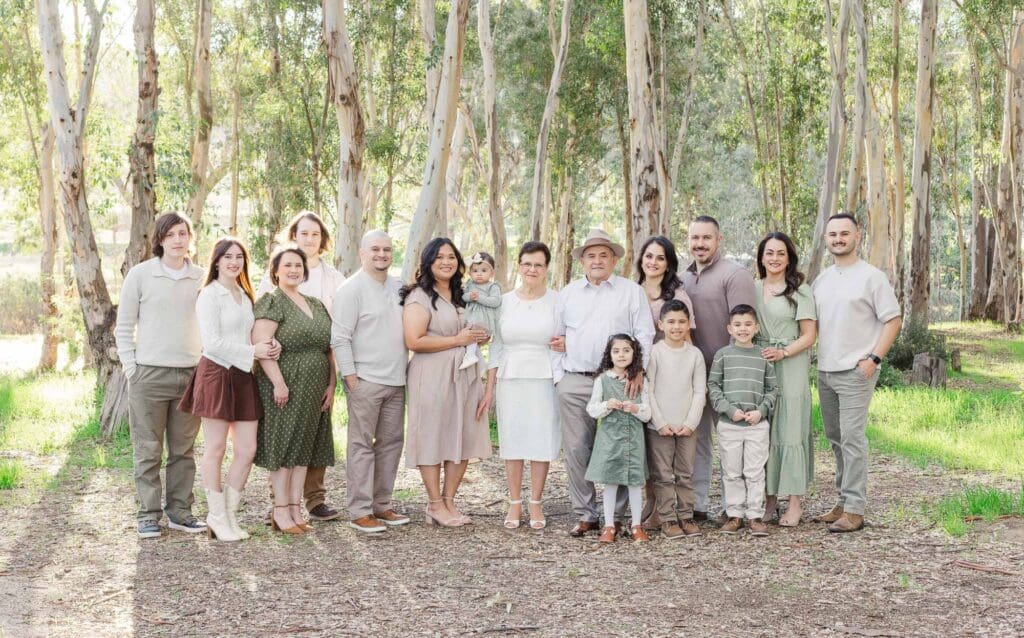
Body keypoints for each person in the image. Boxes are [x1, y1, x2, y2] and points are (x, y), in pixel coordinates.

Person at [553, 228, 655, 538]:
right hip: (576, 380)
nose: (597, 260)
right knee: (576, 448)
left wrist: (639, 371)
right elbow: (556, 338)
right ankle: (587, 514)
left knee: (622, 446)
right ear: (582, 260)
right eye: (591, 255)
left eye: (603, 255)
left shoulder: (630, 291)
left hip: (620, 382)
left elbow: (645, 334)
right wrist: (560, 379)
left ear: (614, 260)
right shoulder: (568, 293)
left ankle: (618, 516)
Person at [179, 238, 280, 541]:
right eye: (228, 257)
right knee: (216, 448)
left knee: (247, 449)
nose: (234, 262)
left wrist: (269, 344)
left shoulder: (244, 295)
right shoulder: (209, 295)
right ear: (217, 261)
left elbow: (249, 336)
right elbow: (212, 343)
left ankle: (230, 515)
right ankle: (216, 515)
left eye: (239, 257)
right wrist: (254, 352)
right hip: (216, 374)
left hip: (242, 376)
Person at [115, 212, 207, 539]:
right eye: (171, 235)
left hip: (190, 375)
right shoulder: (141, 275)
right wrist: (132, 369)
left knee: (183, 451)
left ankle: (180, 511)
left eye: (183, 233)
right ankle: (149, 514)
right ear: (160, 240)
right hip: (148, 376)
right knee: (148, 449)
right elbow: (123, 327)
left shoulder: (201, 277)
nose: (178, 240)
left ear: (190, 238)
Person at [812, 214, 901, 533]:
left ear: (857, 236)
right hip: (825, 371)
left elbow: (893, 319)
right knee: (836, 438)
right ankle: (842, 501)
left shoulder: (871, 277)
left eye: (844, 233)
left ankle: (855, 509)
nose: (838, 238)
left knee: (852, 438)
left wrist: (875, 358)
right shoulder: (822, 280)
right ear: (826, 238)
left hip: (856, 371)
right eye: (833, 234)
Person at [256, 211, 345, 522]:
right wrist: (279, 381)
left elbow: (332, 341)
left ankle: (301, 505)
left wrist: (332, 383)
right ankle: (279, 507)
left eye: (315, 234)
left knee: (308, 443)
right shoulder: (271, 296)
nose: (309, 239)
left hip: (317, 379)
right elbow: (262, 341)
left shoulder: (327, 288)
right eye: (304, 233)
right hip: (286, 378)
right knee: (285, 442)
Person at [401, 238, 493, 528]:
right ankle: (434, 503)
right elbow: (414, 340)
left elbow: (476, 331)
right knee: (432, 436)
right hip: (431, 375)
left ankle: (450, 500)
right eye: (439, 257)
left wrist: (480, 335)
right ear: (428, 261)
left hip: (465, 375)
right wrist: (458, 339)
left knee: (463, 435)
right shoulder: (419, 297)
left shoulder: (463, 294)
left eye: (451, 256)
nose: (446, 262)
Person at [331, 230, 410, 534]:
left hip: (396, 380)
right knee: (362, 445)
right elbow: (339, 337)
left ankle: (382, 504)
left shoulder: (400, 287)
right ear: (362, 253)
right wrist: (351, 378)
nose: (382, 255)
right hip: (365, 380)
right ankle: (360, 510)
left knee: (391, 444)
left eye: (387, 249)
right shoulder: (351, 289)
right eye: (375, 249)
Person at [681, 215, 756, 521]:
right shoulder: (682, 278)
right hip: (693, 376)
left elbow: (744, 324)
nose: (700, 244)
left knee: (731, 442)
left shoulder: (735, 275)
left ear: (719, 240)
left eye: (706, 238)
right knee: (696, 442)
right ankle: (698, 505)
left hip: (727, 374)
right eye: (695, 238)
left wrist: (729, 373)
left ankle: (734, 507)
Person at [485, 241, 561, 530]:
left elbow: (566, 337)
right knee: (513, 439)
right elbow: (496, 346)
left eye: (538, 264)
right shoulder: (503, 302)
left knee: (542, 439)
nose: (532, 269)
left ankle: (536, 502)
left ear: (546, 268)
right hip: (510, 375)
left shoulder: (557, 301)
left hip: (544, 375)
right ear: (519, 265)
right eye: (527, 263)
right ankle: (515, 501)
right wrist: (489, 387)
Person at [754, 232, 817, 527]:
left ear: (789, 257)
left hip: (790, 364)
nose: (775, 258)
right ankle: (768, 499)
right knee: (764, 431)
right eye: (769, 253)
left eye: (781, 253)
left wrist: (784, 352)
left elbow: (809, 335)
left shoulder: (800, 291)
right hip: (759, 362)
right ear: (762, 257)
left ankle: (794, 502)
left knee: (790, 429)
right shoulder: (752, 288)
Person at [635, 234, 696, 529]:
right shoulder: (631, 291)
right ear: (641, 259)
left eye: (660, 257)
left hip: (668, 373)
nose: (653, 262)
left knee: (669, 450)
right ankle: (651, 500)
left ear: (669, 263)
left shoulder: (677, 295)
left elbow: (687, 337)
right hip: (636, 372)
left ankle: (667, 509)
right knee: (646, 442)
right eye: (649, 256)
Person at [707, 304, 778, 537]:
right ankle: (735, 514)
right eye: (737, 325)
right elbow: (713, 386)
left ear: (756, 328)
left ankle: (755, 516)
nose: (743, 329)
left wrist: (761, 411)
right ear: (730, 328)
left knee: (755, 471)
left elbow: (772, 389)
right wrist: (728, 410)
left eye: (748, 324)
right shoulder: (723, 355)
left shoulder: (763, 355)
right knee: (731, 471)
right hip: (730, 425)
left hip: (756, 425)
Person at [645, 300, 706, 539]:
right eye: (671, 322)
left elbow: (700, 390)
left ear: (688, 323)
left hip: (686, 426)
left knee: (685, 473)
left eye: (682, 321)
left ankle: (686, 516)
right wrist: (659, 422)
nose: (677, 326)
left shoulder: (694, 354)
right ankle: (668, 518)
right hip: (660, 426)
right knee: (662, 474)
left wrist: (690, 423)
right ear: (661, 324)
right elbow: (648, 389)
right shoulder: (655, 352)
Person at [585, 334, 652, 544]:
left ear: (634, 353)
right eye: (616, 351)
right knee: (611, 482)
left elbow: (648, 413)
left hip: (633, 439)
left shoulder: (641, 380)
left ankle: (636, 525)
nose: (621, 355)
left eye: (626, 350)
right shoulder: (602, 380)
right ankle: (608, 525)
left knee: (634, 483)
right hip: (610, 439)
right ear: (609, 354)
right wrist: (607, 405)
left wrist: (635, 409)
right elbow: (592, 409)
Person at [460, 251, 502, 370]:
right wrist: (469, 296)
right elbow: (463, 297)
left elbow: (495, 301)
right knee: (469, 337)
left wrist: (479, 298)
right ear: (470, 273)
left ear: (492, 273)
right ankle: (477, 361)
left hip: (484, 318)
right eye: (475, 271)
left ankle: (470, 356)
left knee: (472, 334)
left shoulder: (493, 286)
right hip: (471, 316)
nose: (479, 274)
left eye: (484, 271)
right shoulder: (470, 284)